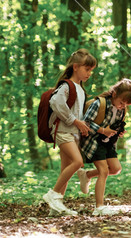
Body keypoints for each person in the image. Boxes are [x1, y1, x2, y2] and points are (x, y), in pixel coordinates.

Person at [43, 49, 97, 216]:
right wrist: (74, 121)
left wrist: (82, 127)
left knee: (66, 168)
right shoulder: (68, 85)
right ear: (75, 67)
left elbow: (78, 114)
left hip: (73, 134)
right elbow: (55, 102)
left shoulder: (80, 88)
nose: (89, 73)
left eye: (91, 70)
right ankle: (52, 195)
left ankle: (56, 207)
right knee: (77, 162)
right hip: (63, 132)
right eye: (86, 69)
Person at [78, 79, 131, 216]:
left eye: (127, 104)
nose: (123, 106)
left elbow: (113, 126)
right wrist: (103, 130)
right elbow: (85, 123)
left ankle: (87, 175)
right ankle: (99, 207)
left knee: (115, 169)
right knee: (103, 171)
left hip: (108, 142)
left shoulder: (122, 110)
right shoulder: (99, 104)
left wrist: (118, 132)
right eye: (122, 102)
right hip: (94, 141)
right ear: (114, 94)